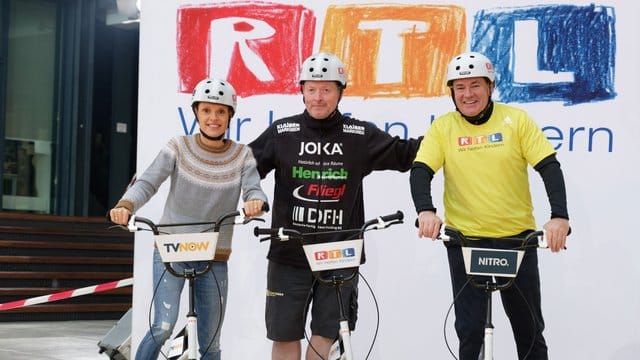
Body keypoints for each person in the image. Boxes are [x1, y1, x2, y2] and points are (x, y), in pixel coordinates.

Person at [249, 52, 421, 360]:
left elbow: (405, 154)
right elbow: (244, 169)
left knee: (324, 338)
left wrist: (449, 133)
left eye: (327, 89)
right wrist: (252, 195)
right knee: (285, 335)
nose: (318, 97)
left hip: (338, 254)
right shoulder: (282, 132)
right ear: (301, 90)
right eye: (312, 89)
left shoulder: (359, 135)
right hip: (289, 253)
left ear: (340, 91)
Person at [410, 52, 571, 360]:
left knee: (529, 331)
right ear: (452, 92)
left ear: (490, 86)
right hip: (465, 241)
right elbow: (421, 170)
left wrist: (559, 217)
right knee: (470, 331)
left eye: (475, 86)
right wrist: (425, 210)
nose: (468, 94)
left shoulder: (516, 120)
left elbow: (549, 166)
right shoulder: (443, 127)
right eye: (460, 88)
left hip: (516, 241)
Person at [109, 78, 268, 360]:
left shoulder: (242, 155)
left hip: (214, 255)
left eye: (220, 111)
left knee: (210, 340)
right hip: (172, 250)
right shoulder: (178, 147)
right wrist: (126, 205)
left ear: (230, 115)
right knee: (162, 327)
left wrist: (255, 201)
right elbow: (147, 182)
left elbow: (253, 188)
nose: (213, 118)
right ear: (196, 113)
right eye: (206, 110)